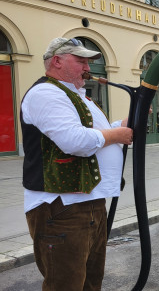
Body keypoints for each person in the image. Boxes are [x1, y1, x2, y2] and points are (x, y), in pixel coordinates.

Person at [21, 37, 133, 290]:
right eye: (80, 61)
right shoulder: (46, 92)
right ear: (57, 61)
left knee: (91, 282)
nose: (87, 67)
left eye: (87, 62)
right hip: (60, 206)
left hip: (87, 202)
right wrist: (117, 135)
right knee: (66, 284)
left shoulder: (76, 95)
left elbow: (93, 133)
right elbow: (75, 141)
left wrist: (120, 126)